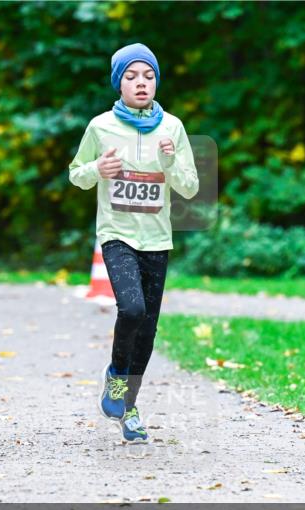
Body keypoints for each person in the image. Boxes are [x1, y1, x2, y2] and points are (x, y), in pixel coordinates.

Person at [69, 43, 199, 442]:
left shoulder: (172, 128)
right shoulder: (100, 126)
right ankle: (115, 379)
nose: (141, 83)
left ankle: (129, 407)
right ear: (118, 83)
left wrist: (169, 162)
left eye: (148, 76)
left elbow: (191, 188)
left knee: (148, 329)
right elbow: (77, 174)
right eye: (131, 76)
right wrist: (97, 167)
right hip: (117, 235)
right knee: (132, 308)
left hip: (157, 239)